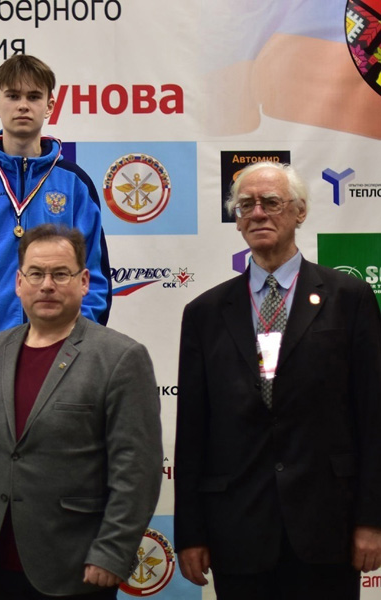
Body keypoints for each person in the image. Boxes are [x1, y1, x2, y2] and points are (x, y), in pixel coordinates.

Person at [174, 161, 381, 599]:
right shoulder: (204, 314)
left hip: (328, 527)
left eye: (271, 202)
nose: (257, 213)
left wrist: (372, 519)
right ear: (236, 220)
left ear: (300, 211)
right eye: (245, 205)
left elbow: (373, 415)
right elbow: (192, 430)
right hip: (237, 529)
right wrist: (190, 532)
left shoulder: (350, 299)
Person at [0, 224, 161, 600]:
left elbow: (136, 469)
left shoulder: (120, 358)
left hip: (77, 568)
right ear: (18, 282)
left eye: (61, 274)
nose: (47, 285)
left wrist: (113, 550)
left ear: (84, 281)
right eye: (36, 274)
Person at [0, 54, 111, 381]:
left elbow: (94, 275)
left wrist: (79, 346)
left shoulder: (75, 183)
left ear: (50, 105)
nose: (23, 106)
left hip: (61, 355)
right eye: (13, 96)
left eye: (34, 96)